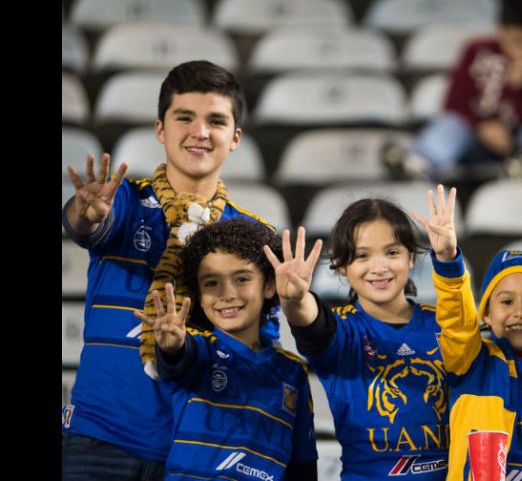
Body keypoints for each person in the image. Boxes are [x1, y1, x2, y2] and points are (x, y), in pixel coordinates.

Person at [62, 60, 277, 480]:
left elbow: (257, 353)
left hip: (199, 450)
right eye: (185, 118)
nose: (200, 132)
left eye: (215, 121)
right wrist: (85, 214)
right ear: (160, 129)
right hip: (98, 442)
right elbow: (84, 225)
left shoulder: (254, 236)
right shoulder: (121, 201)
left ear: (235, 138)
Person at [411, 185, 522, 480]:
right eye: (506, 301)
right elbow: (457, 325)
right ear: (485, 314)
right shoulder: (473, 362)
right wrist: (448, 260)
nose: (520, 311)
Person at [263, 200, 450, 480]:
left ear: (411, 257)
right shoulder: (343, 331)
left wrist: (449, 258)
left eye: (392, 252)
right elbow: (313, 323)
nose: (379, 267)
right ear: (341, 267)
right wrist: (295, 299)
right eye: (362, 256)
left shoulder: (445, 325)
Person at [134, 218, 317, 480]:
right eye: (211, 283)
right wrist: (171, 346)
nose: (226, 294)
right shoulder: (200, 348)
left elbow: (302, 465)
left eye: (241, 278)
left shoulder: (293, 371)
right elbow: (178, 359)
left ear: (268, 286)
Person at [393, 0, 522, 179]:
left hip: (520, 148)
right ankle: (418, 163)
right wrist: (480, 127)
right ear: (501, 31)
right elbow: (453, 105)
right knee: (452, 123)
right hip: (473, 140)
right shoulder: (477, 51)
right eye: (516, 40)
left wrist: (518, 85)